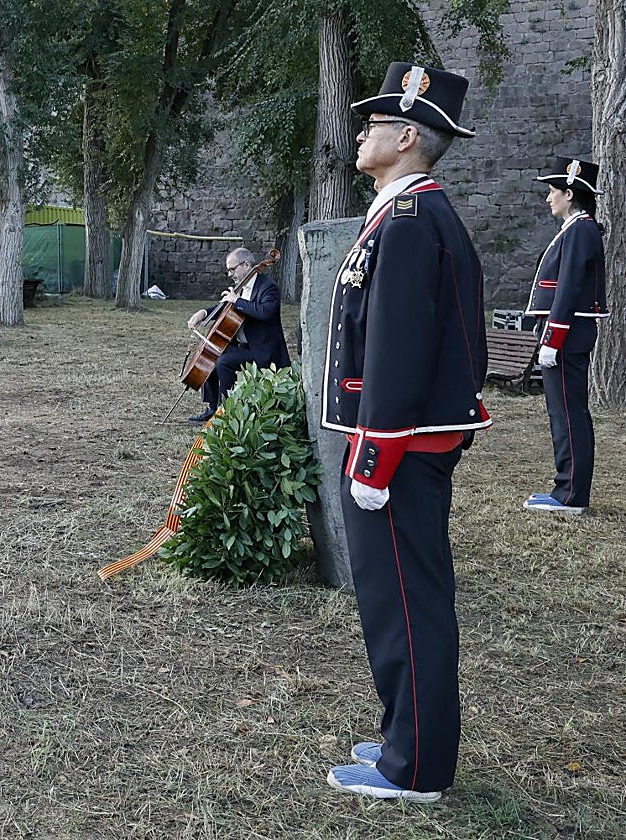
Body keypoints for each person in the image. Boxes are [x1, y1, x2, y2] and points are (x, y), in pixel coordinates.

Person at [321, 63, 490, 802]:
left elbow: (397, 345)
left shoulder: (415, 218)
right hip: (402, 440)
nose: (362, 134)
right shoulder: (404, 211)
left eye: (374, 124)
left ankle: (414, 767)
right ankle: (403, 734)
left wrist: (374, 455)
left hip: (400, 444)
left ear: (408, 136)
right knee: (396, 599)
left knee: (408, 603)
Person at [522, 157, 607, 515]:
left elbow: (569, 289)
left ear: (569, 193)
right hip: (568, 332)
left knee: (568, 414)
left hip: (569, 334)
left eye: (553, 191)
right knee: (564, 412)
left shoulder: (579, 230)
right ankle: (566, 488)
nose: (548, 199)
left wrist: (552, 340)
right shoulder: (576, 229)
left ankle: (569, 494)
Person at [185, 247, 290, 422]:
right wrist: (203, 313)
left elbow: (265, 312)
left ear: (247, 265)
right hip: (242, 346)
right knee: (211, 353)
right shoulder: (240, 286)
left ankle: (225, 411)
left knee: (224, 362)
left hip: (262, 350)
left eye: (232, 269)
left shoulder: (268, 287)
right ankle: (212, 407)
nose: (229, 274)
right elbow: (226, 308)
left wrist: (237, 301)